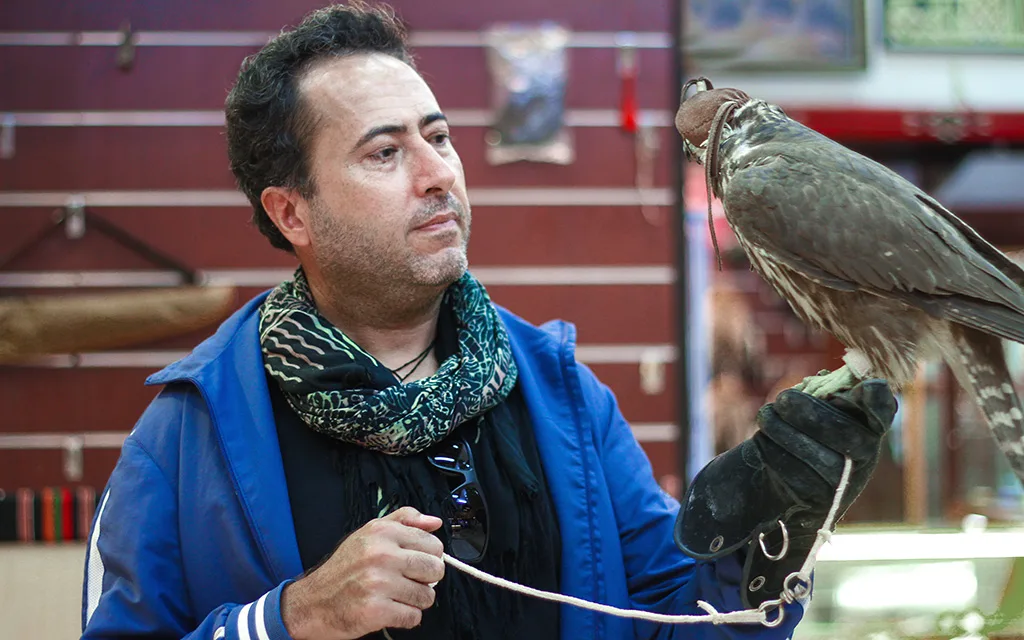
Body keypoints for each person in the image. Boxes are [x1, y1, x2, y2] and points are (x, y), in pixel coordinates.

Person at [80, 3, 896, 639]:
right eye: (385, 153)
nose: (438, 173)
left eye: (439, 136)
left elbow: (677, 620)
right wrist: (291, 619)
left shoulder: (559, 391)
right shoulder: (188, 434)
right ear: (292, 212)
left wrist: (765, 532)